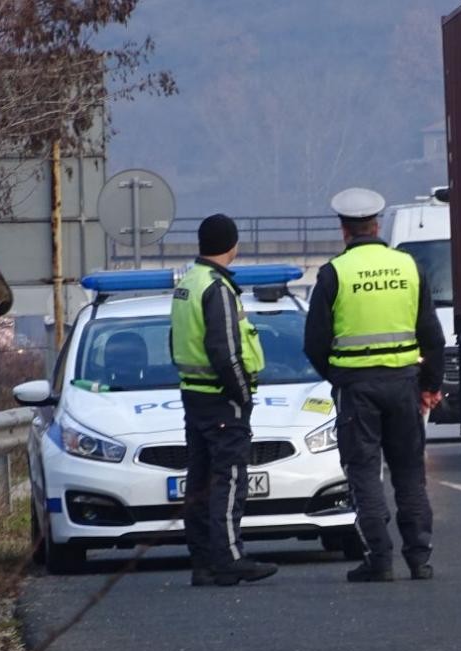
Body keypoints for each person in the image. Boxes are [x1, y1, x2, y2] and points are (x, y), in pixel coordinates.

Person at [304, 188, 445, 582]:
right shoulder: (408, 267)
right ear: (377, 225)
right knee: (409, 474)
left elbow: (314, 342)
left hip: (357, 389)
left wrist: (339, 378)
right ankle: (419, 559)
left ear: (344, 230)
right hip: (403, 384)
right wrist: (429, 384)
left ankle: (379, 560)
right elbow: (432, 336)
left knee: (364, 473)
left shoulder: (334, 273)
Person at [170, 213, 279, 587]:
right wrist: (242, 393)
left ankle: (203, 561)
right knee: (229, 479)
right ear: (232, 246)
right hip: (221, 398)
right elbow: (225, 349)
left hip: (194, 396)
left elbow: (178, 341)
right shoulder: (216, 288)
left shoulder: (188, 282)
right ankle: (230, 558)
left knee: (200, 479)